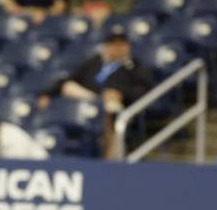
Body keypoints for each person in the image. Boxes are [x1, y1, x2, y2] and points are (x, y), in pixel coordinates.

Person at [39, 25, 152, 157]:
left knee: (109, 107)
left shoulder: (134, 67)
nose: (118, 48)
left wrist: (121, 93)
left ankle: (110, 158)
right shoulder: (95, 62)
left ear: (128, 46)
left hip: (116, 109)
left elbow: (144, 91)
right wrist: (47, 94)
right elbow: (69, 79)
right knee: (68, 87)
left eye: (121, 44)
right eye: (113, 44)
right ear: (106, 46)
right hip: (89, 101)